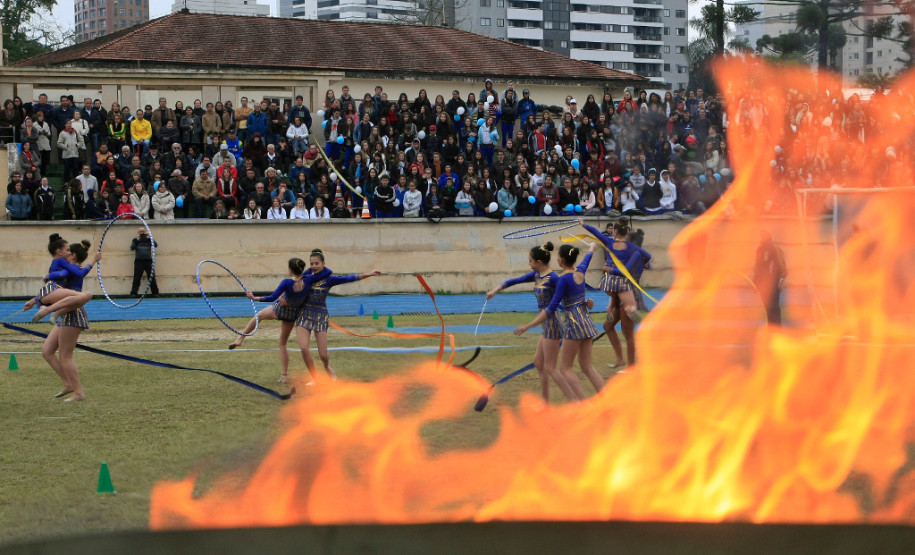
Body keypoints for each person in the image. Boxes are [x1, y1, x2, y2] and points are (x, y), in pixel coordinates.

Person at [487, 243, 577, 402]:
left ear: (539, 262)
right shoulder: (537, 275)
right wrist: (494, 291)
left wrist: (527, 326)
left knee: (551, 368)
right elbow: (514, 281)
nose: (529, 263)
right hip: (546, 323)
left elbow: (568, 293)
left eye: (530, 260)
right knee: (538, 362)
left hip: (552, 322)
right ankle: (545, 401)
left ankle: (575, 401)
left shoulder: (554, 278)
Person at [514, 243, 603, 400]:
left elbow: (550, 309)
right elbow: (588, 257)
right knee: (588, 367)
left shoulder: (562, 280)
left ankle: (585, 406)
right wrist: (592, 247)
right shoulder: (580, 272)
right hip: (587, 323)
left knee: (565, 369)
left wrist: (528, 326)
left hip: (574, 326)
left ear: (561, 260)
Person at [229, 258, 332, 383]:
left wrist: (254, 297)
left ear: (289, 270)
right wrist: (314, 269)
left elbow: (272, 297)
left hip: (279, 310)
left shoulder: (287, 282)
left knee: (258, 316)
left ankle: (240, 338)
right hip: (291, 315)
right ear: (301, 269)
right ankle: (284, 376)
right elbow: (328, 272)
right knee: (282, 343)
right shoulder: (308, 279)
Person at [295, 249, 381, 381]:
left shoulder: (329, 279)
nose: (314, 266)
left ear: (323, 263)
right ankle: (314, 378)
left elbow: (349, 278)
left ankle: (327, 367)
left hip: (320, 317)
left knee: (323, 355)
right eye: (311, 263)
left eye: (316, 263)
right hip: (304, 315)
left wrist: (369, 274)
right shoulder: (306, 277)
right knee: (304, 348)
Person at [39, 240, 101, 402]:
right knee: (47, 351)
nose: (65, 255)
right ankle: (67, 383)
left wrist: (48, 276)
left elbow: (62, 276)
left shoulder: (74, 270)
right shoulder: (72, 268)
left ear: (72, 255)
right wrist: (34, 301)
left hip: (74, 313)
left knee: (65, 355)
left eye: (68, 252)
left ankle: (78, 392)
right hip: (66, 313)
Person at [580, 219, 646, 367]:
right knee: (608, 326)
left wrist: (584, 224)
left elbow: (597, 234)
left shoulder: (631, 254)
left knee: (628, 334)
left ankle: (631, 368)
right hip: (618, 294)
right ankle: (620, 360)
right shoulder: (628, 251)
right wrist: (611, 307)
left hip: (625, 295)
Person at [752, 229, 787, 326]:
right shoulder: (760, 250)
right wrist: (755, 281)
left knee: (774, 305)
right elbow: (757, 267)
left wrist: (780, 280)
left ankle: (777, 326)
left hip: (773, 282)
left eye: (764, 235)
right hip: (763, 283)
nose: (762, 237)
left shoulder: (774, 249)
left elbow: (780, 265)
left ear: (769, 236)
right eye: (761, 235)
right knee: (766, 305)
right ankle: (770, 325)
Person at [130, 227, 158, 297]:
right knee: (137, 277)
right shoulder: (135, 240)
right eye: (140, 232)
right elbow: (132, 248)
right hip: (139, 261)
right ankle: (134, 293)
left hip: (148, 261)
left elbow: (155, 245)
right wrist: (137, 240)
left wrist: (150, 237)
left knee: (151, 277)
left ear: (145, 232)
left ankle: (155, 293)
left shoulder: (149, 240)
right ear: (138, 233)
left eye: (143, 232)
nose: (142, 233)